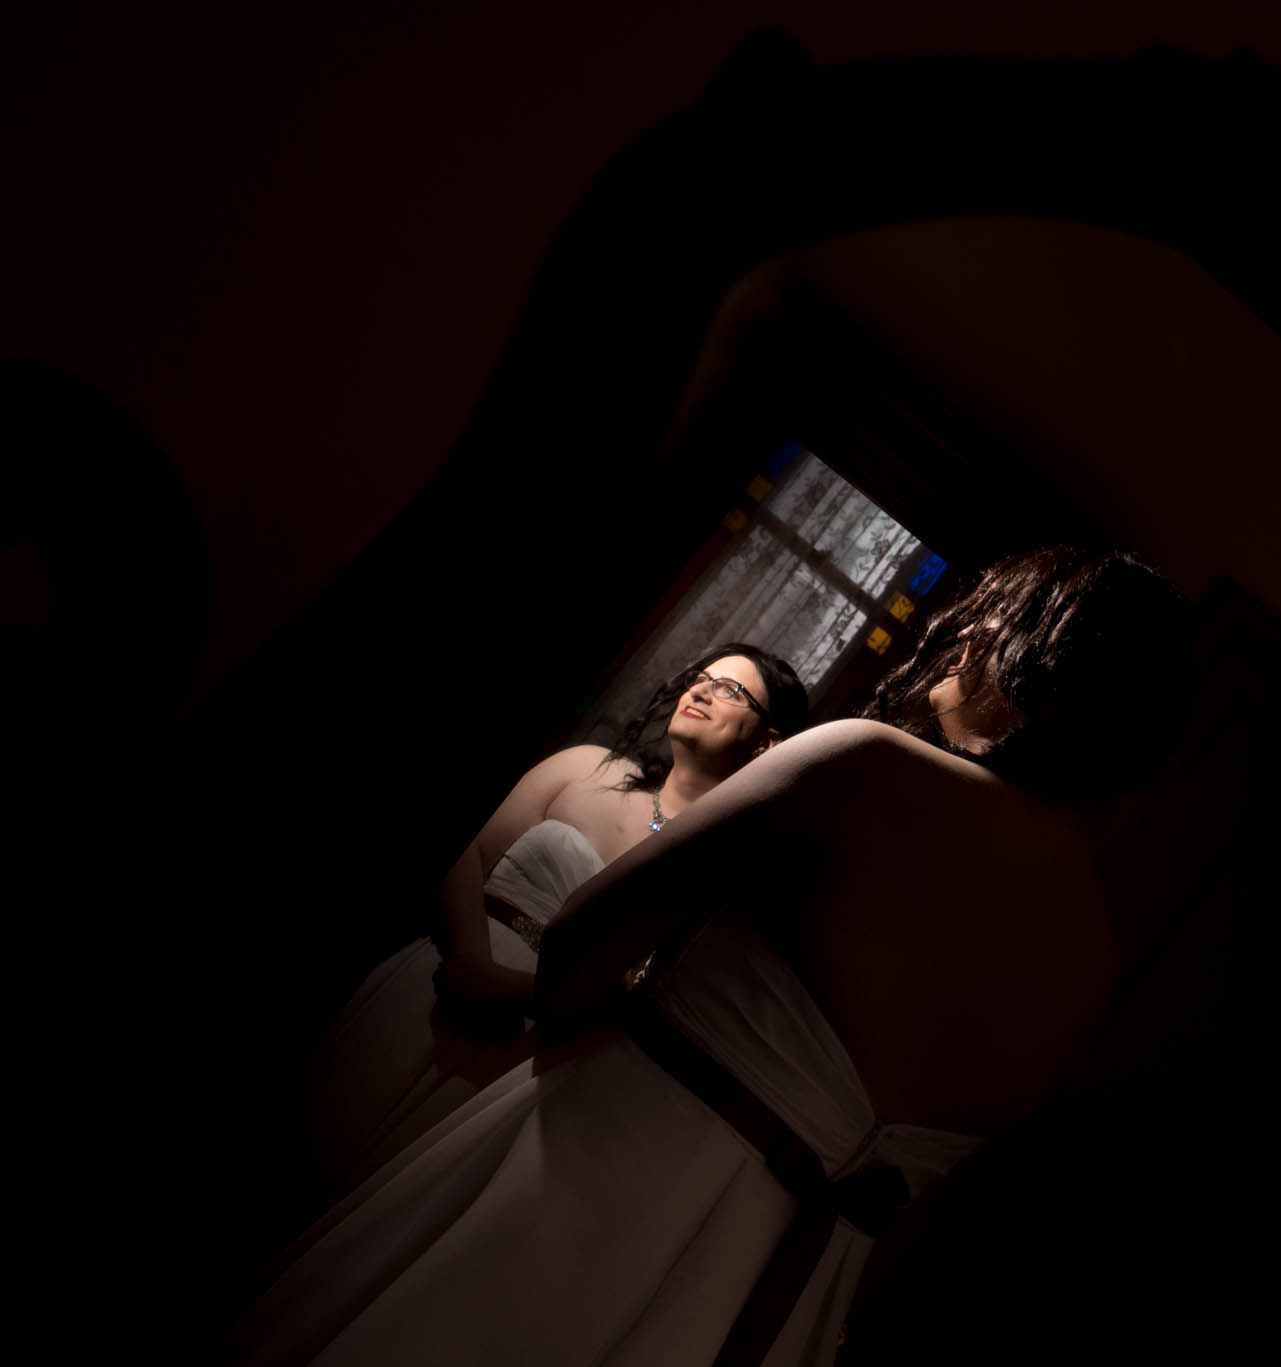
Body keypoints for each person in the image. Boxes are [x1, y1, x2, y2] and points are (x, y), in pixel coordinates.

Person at [230, 546, 1193, 1367]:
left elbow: (577, 954)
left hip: (598, 1185)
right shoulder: (1094, 966)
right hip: (788, 1298)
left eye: (992, 618)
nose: (963, 633)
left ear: (1036, 648)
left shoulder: (864, 763)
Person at [303, 643, 810, 1198]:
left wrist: (515, 991)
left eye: (731, 690)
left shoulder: (718, 875)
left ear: (766, 742)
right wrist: (471, 961)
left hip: (534, 1054)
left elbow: (645, 1000)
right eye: (702, 678)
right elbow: (469, 853)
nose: (703, 690)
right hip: (440, 979)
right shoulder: (588, 767)